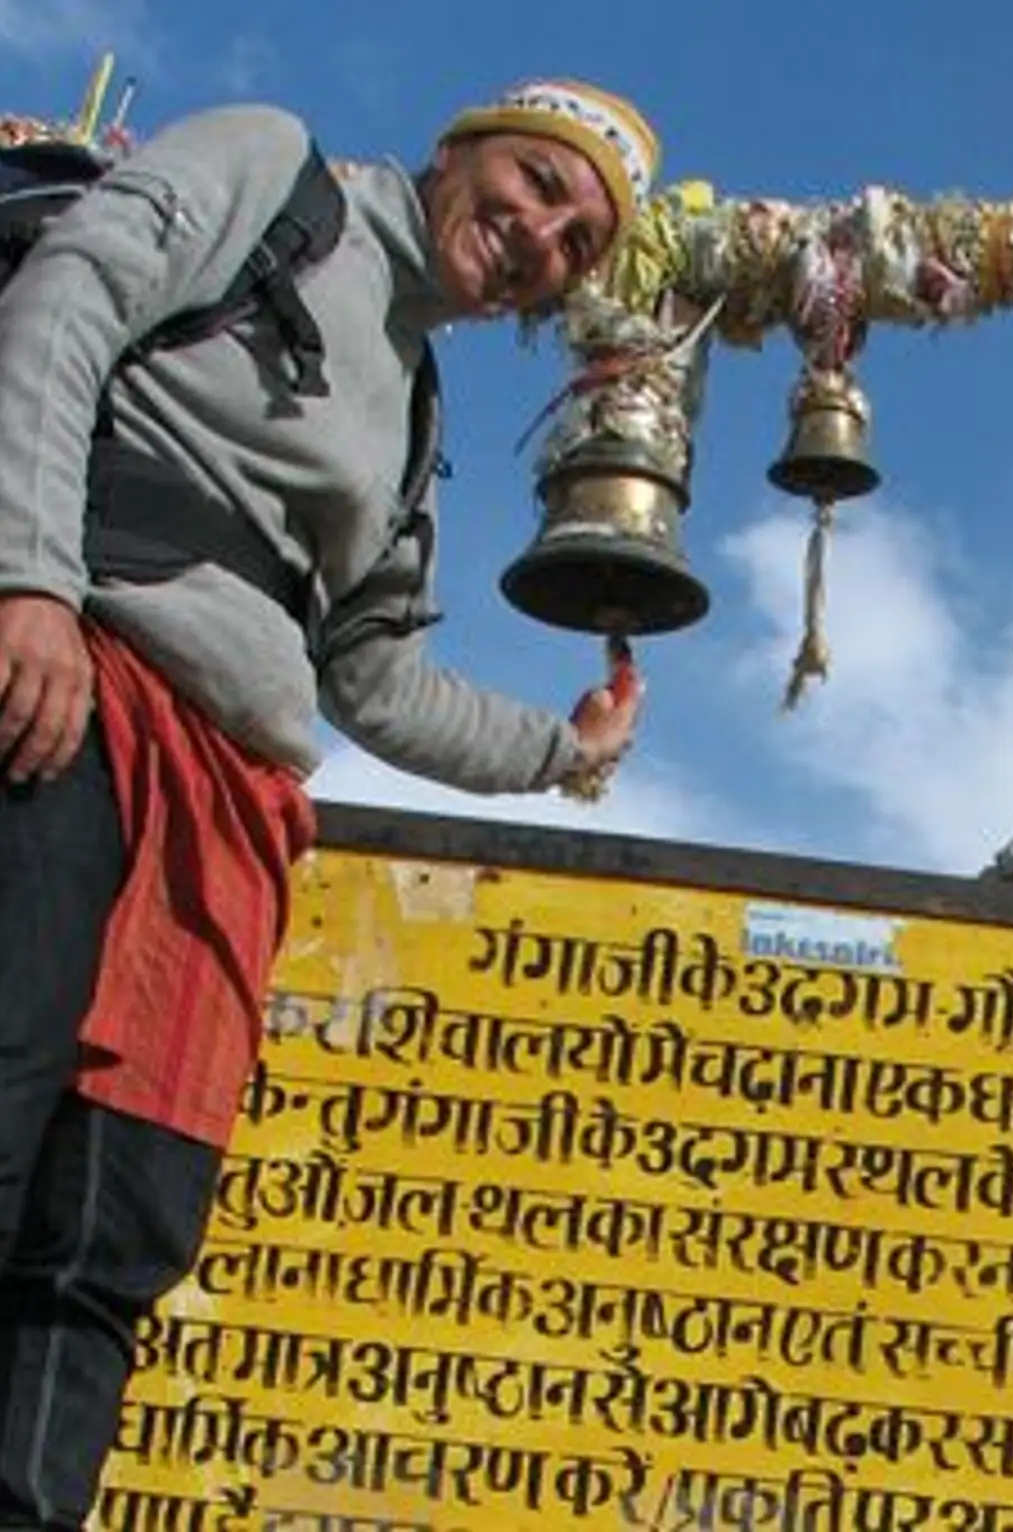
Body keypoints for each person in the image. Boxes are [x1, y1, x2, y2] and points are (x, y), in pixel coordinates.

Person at [0, 78, 658, 1527]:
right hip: (73, 681)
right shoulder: (274, 174)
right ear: (461, 149)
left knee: (117, 1222)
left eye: (579, 241)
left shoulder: (413, 411)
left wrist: (563, 749)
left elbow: (371, 678)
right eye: (539, 182)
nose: (543, 235)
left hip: (222, 803)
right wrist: (26, 580)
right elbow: (65, 301)